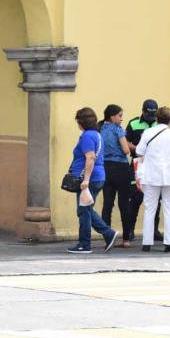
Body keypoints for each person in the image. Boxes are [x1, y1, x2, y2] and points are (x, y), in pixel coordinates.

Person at [135, 106, 170, 252]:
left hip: (151, 175)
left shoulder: (148, 132)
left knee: (150, 208)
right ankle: (168, 243)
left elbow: (139, 151)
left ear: (156, 118)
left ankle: (147, 243)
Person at [67, 107, 118, 254]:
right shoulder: (97, 134)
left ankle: (85, 244)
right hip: (97, 176)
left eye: (78, 121)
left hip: (90, 178)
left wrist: (86, 180)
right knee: (86, 209)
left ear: (81, 121)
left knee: (84, 211)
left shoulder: (87, 136)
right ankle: (108, 233)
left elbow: (90, 157)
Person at [124, 99, 161, 243]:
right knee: (135, 199)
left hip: (155, 165)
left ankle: (154, 231)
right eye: (148, 114)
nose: (151, 117)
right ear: (143, 111)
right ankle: (131, 230)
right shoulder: (134, 123)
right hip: (137, 164)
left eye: (153, 114)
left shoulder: (159, 124)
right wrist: (137, 149)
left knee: (156, 200)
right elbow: (125, 141)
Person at [99, 104, 133, 246]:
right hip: (121, 167)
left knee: (107, 204)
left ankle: (108, 238)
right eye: (119, 115)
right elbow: (126, 150)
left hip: (105, 167)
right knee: (124, 203)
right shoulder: (118, 130)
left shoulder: (99, 129)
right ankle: (126, 239)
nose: (121, 118)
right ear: (112, 116)